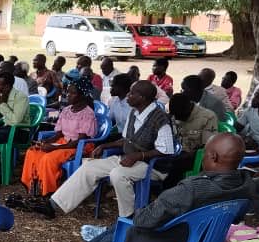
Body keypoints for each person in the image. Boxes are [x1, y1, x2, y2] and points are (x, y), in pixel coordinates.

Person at [47, 134, 259, 242]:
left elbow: (146, 220)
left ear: (213, 156)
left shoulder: (192, 189)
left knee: (126, 227)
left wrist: (142, 214)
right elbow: (236, 216)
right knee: (124, 226)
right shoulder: (244, 186)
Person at [40, 81, 175, 219]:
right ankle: (52, 205)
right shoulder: (134, 112)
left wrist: (137, 156)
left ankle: (128, 217)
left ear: (142, 98)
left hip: (152, 166)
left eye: (132, 93)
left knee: (118, 174)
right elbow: (127, 140)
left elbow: (166, 150)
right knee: (89, 167)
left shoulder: (160, 118)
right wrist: (104, 146)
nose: (128, 95)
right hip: (129, 160)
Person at [20, 81, 97, 195]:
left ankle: (48, 191)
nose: (68, 95)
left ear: (82, 96)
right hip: (64, 142)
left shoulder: (87, 114)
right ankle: (34, 188)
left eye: (72, 93)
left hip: (79, 146)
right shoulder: (66, 110)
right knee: (33, 152)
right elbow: (59, 134)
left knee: (49, 159)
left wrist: (54, 148)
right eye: (67, 92)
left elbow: (80, 141)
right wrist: (46, 142)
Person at [163, 93, 217, 187]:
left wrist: (186, 154)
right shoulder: (176, 113)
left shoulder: (207, 117)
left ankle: (167, 192)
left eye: (179, 116)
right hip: (175, 151)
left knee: (175, 165)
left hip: (195, 156)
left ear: (188, 109)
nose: (176, 119)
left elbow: (207, 146)